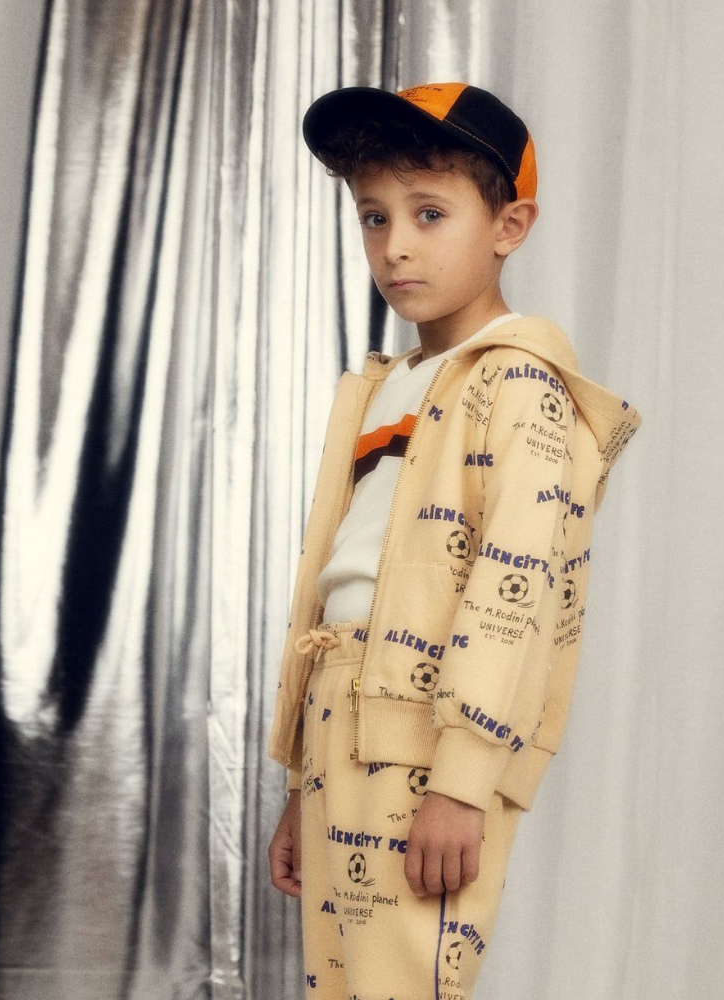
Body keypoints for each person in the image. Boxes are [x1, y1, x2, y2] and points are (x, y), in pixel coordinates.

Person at [266, 81, 642, 1000]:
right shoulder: (390, 385)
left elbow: (514, 591)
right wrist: (300, 780)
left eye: (429, 214)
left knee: (405, 986)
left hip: (430, 737)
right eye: (374, 217)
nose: (395, 244)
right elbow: (346, 584)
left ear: (509, 226)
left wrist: (463, 781)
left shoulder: (519, 384)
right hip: (341, 718)